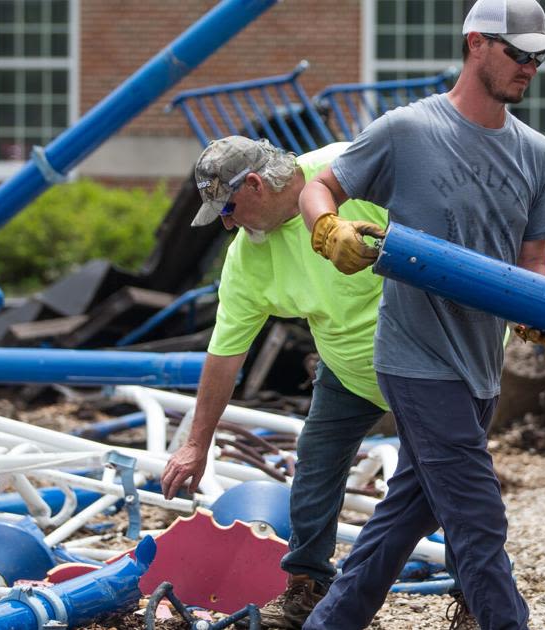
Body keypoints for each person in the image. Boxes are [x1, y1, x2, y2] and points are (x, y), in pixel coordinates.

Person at [297, 1, 545, 628]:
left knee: (405, 517)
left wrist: (543, 310)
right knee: (478, 518)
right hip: (415, 356)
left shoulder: (537, 155)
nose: (531, 67)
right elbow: (321, 189)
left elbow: (533, 260)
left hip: (482, 364)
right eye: (519, 53)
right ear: (476, 43)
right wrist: (328, 231)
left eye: (539, 57)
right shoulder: (408, 130)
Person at [158, 136, 411, 630]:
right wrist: (196, 444)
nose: (227, 223)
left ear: (255, 184)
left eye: (228, 208)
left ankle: (478, 595)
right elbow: (225, 355)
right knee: (315, 463)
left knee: (442, 478)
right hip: (350, 368)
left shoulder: (345, 169)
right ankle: (307, 587)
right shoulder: (247, 260)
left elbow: (448, 212)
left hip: (427, 355)